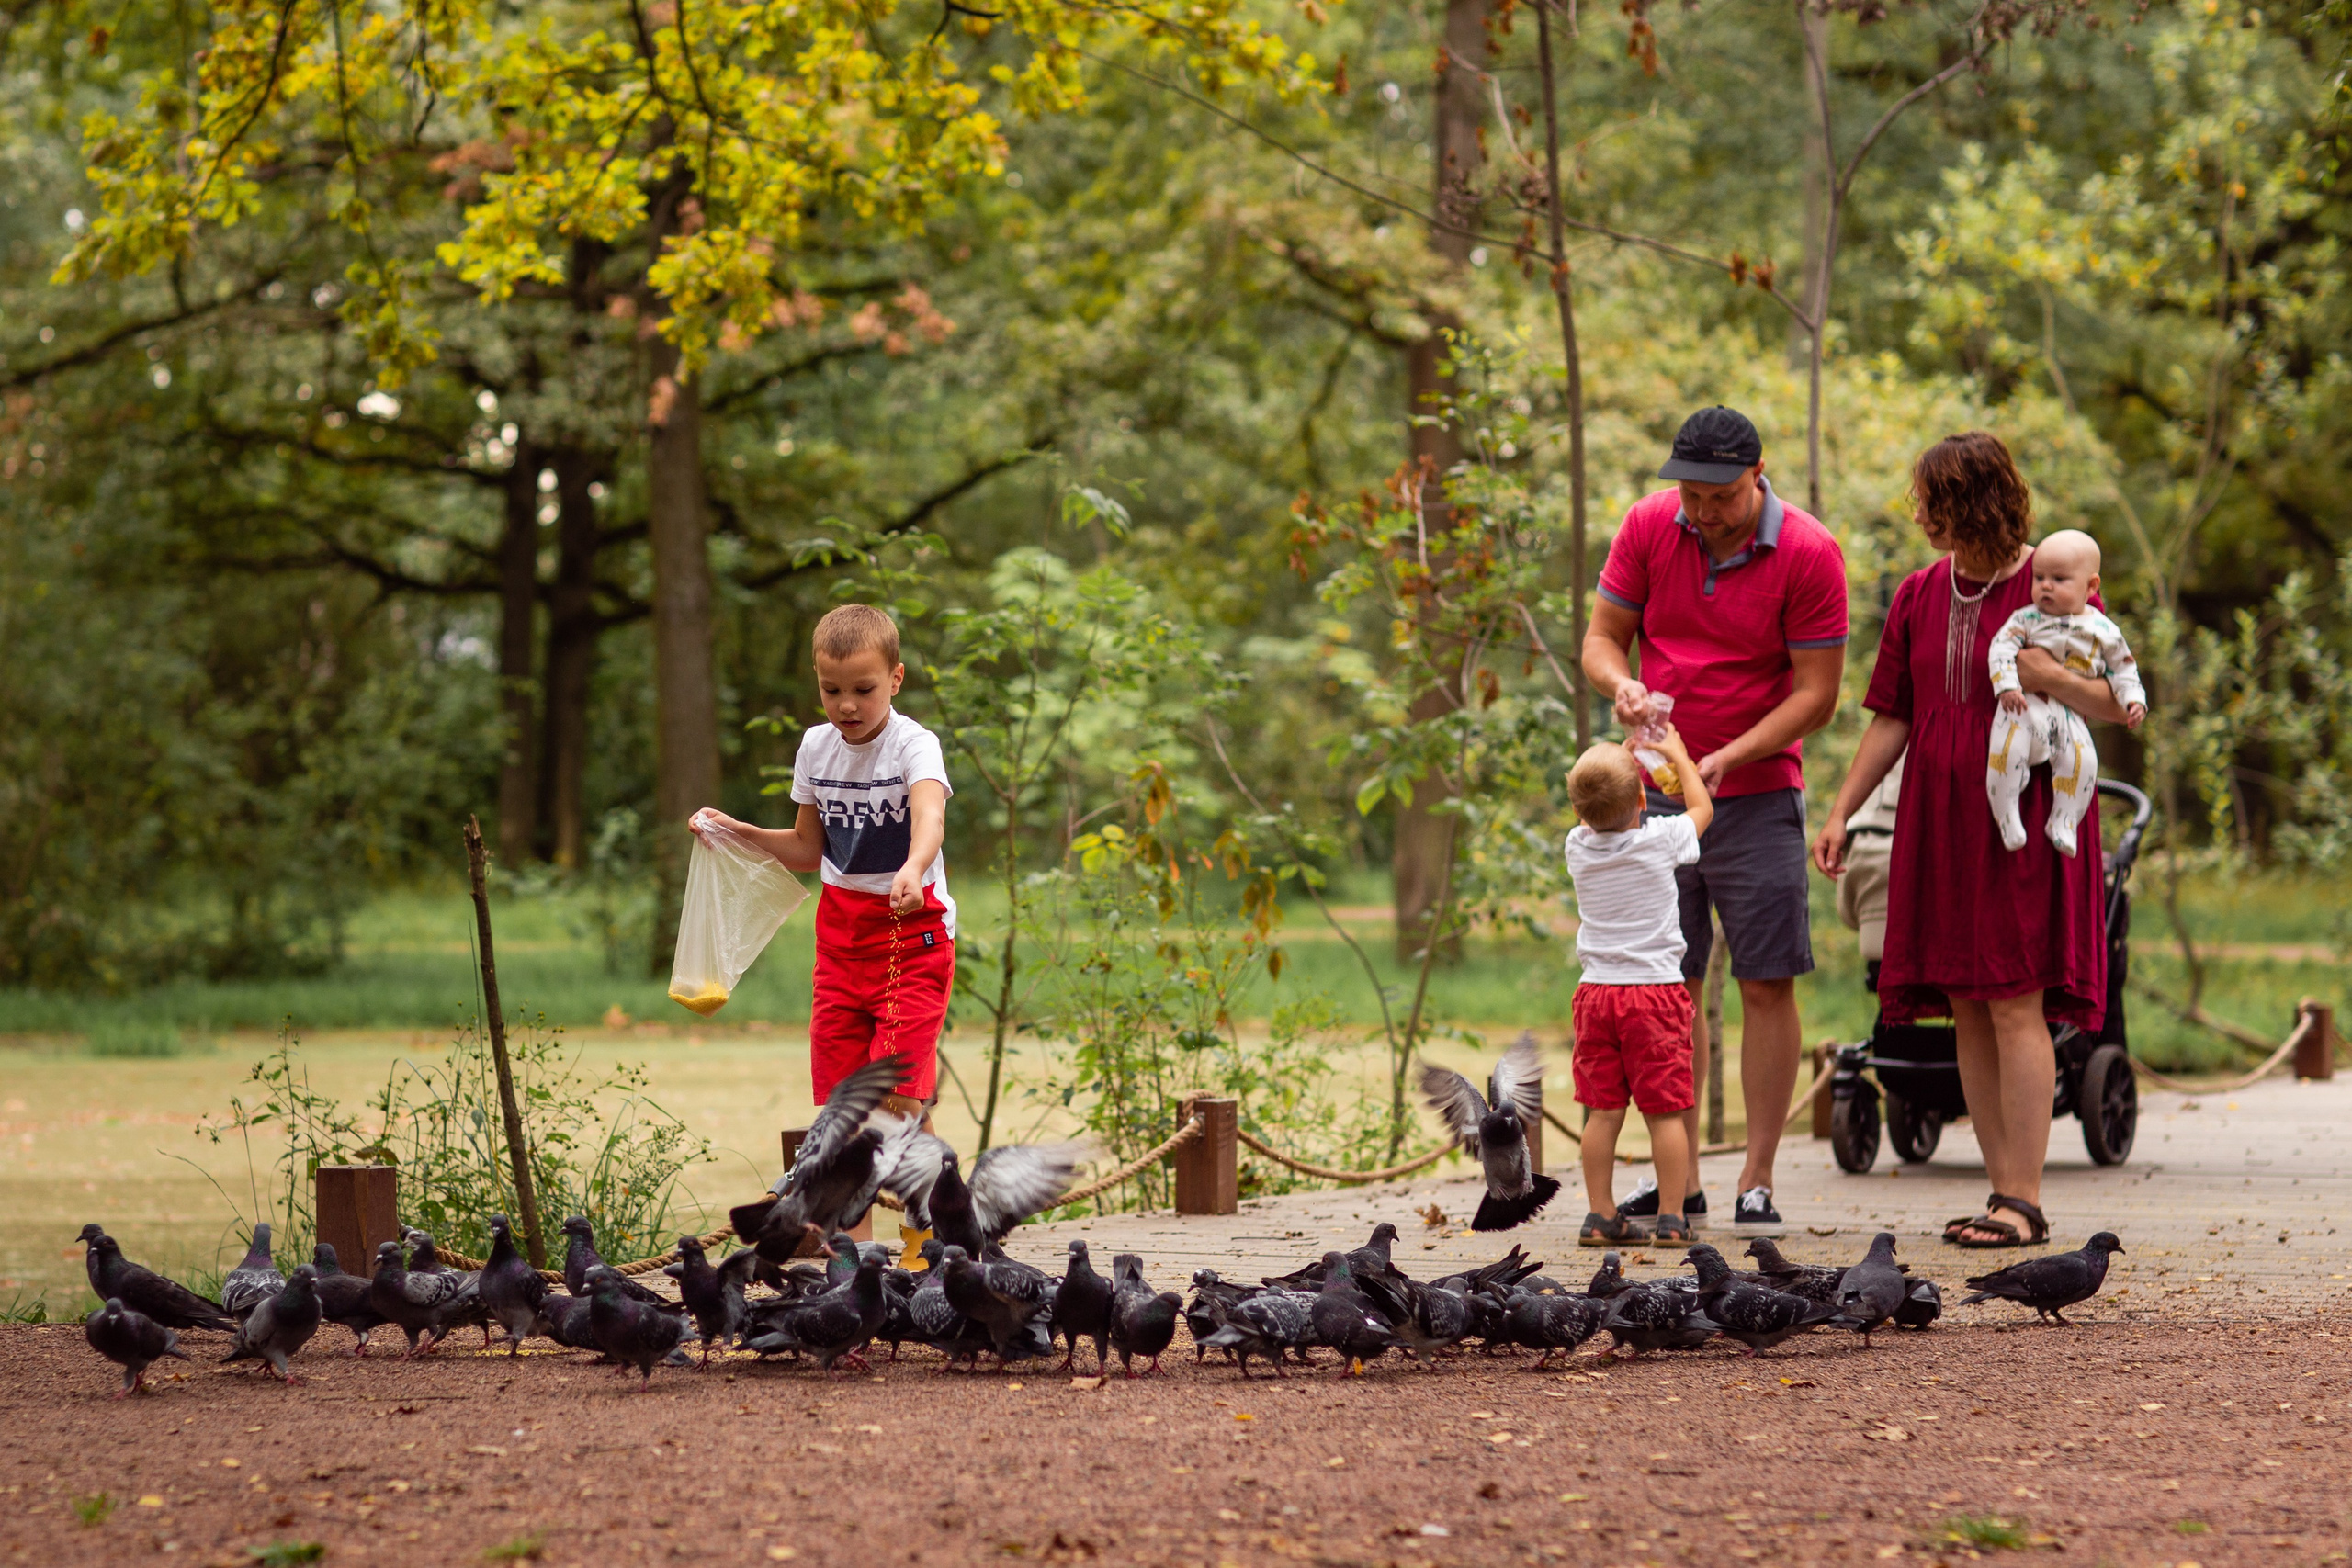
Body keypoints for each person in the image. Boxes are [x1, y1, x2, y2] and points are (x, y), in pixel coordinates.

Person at [1810, 432, 2125, 1249]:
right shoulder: (1918, 593)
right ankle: (2001, 1193)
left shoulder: (2047, 579)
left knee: (2015, 997)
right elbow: (1895, 714)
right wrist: (1843, 806)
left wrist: (2048, 676)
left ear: (1970, 502)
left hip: (2022, 809)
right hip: (1939, 815)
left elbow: (2114, 691)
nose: (1918, 514)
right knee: (1964, 1001)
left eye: (1929, 500)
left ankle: (2024, 1199)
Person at [1580, 406, 1848, 1231]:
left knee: (1767, 978)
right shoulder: (1649, 525)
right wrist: (1617, 685)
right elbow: (1602, 638)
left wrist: (1731, 754)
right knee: (1669, 984)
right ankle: (1680, 1182)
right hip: (1652, 788)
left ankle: (1756, 1177)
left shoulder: (1808, 551)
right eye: (1688, 493)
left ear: (1757, 474)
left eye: (1719, 495)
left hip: (1761, 790)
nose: (1700, 510)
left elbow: (1818, 693)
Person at [692, 604, 956, 1267]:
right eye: (831, 689)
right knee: (843, 1106)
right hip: (840, 935)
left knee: (897, 1096)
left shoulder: (913, 745)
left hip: (910, 933)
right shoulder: (815, 747)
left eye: (863, 689)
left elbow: (929, 817)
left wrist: (914, 866)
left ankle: (928, 1234)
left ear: (895, 678)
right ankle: (852, 1258)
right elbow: (810, 847)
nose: (846, 705)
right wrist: (737, 830)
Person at [1563, 728, 1714, 1245]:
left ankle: (1602, 1215)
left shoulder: (1576, 846)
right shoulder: (1661, 839)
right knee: (1665, 1110)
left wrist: (1609, 775)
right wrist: (1678, 753)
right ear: (1644, 802)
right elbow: (1702, 809)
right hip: (1653, 995)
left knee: (1603, 1111)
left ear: (1580, 812)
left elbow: (1598, 809)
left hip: (1596, 995)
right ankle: (1672, 1218)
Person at [1986, 528, 2147, 854]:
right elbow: (2000, 648)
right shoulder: (2026, 619)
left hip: (2068, 712)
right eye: (2039, 577)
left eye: (2059, 579)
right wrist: (2007, 686)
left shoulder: (2102, 629)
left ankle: (2064, 820)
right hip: (2024, 705)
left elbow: (2123, 667)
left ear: (2091, 587)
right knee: (2007, 751)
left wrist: (2134, 699)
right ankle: (2006, 813)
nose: (2046, 586)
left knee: (2082, 761)